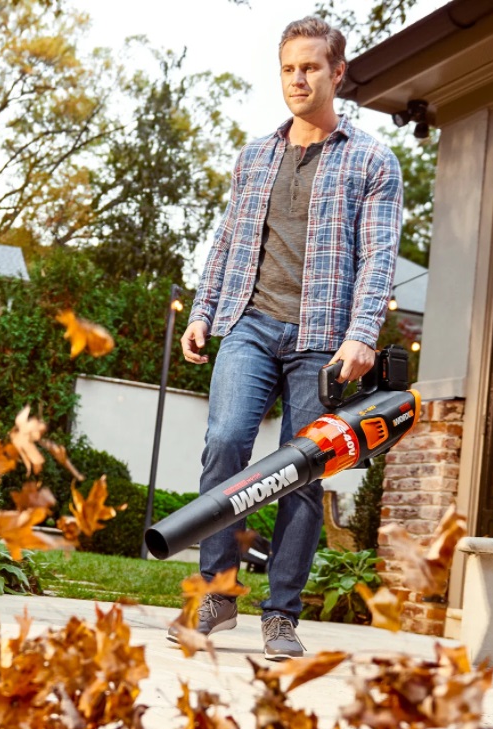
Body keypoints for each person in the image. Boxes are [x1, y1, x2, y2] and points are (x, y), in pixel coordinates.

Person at [170, 14, 403, 660]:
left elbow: (381, 255)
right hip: (249, 323)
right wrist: (202, 310)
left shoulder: (372, 161)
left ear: (338, 72)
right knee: (223, 444)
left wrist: (361, 335)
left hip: (323, 339)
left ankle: (281, 613)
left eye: (310, 67)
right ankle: (218, 593)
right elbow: (228, 242)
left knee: (302, 470)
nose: (298, 79)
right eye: (288, 69)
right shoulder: (255, 157)